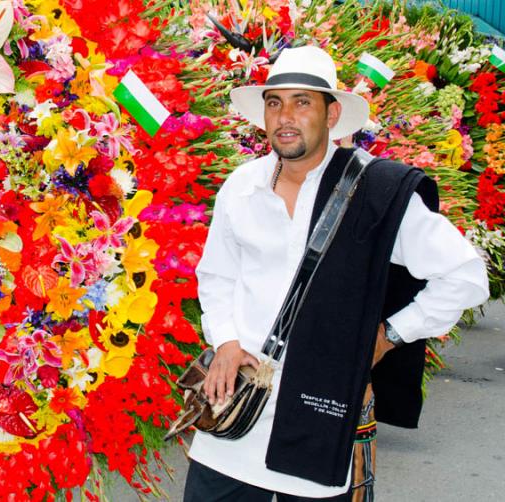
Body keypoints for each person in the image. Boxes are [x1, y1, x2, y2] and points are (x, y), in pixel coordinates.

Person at [184, 45, 489, 501]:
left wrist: (389, 335)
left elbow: (465, 277)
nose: (285, 116)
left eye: (302, 101)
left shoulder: (377, 192)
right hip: (231, 415)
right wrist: (226, 340)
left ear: (332, 113)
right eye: (274, 102)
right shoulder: (241, 187)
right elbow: (217, 275)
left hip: (317, 414)